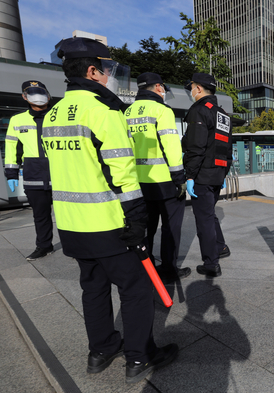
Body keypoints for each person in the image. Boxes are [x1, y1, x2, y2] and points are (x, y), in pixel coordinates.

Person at [41, 37, 177, 384]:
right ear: (91, 70)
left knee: (93, 288)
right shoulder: (103, 111)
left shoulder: (53, 112)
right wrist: (136, 218)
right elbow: (123, 171)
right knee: (136, 288)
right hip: (108, 223)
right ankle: (139, 357)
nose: (109, 76)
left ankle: (100, 351)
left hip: (71, 224)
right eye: (106, 69)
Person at [125, 72, 189, 284]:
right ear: (159, 87)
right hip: (164, 182)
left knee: (146, 226)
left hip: (137, 182)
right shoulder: (162, 110)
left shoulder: (126, 113)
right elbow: (171, 145)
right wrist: (179, 177)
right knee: (171, 226)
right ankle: (169, 270)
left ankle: (146, 264)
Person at [183, 73, 233, 277]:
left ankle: (211, 264)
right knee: (209, 214)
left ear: (199, 89)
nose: (191, 91)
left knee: (203, 219)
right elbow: (226, 147)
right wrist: (223, 173)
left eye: (192, 87)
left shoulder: (199, 110)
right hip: (217, 173)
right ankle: (220, 247)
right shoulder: (222, 113)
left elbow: (196, 147)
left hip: (202, 174)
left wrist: (190, 175)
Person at [4, 81, 54, 260]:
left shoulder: (58, 116)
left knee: (68, 215)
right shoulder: (17, 120)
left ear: (48, 96)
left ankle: (74, 246)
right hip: (34, 175)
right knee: (40, 216)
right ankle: (44, 246)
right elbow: (12, 148)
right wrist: (11, 173)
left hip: (60, 173)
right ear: (24, 97)